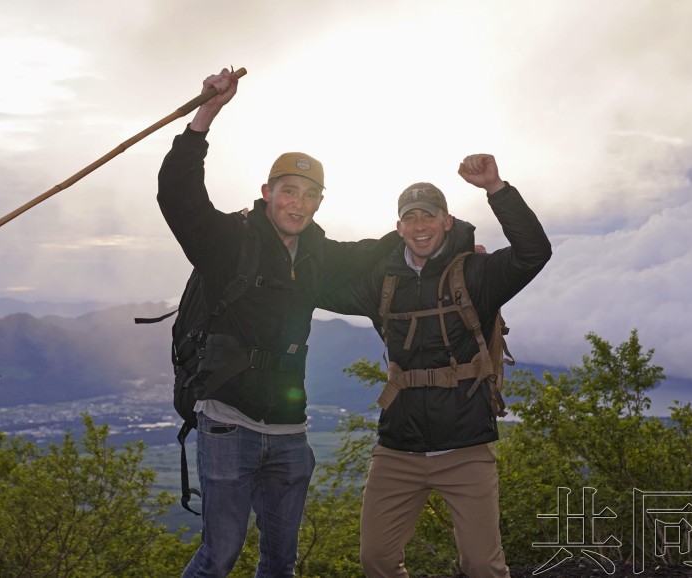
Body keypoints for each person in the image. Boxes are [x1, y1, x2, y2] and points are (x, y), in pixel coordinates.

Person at [156, 68, 397, 578]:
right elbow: (178, 196)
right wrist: (205, 115)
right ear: (267, 191)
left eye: (310, 195)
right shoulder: (228, 242)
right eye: (289, 191)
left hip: (290, 428)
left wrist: (451, 240)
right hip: (227, 420)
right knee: (219, 555)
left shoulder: (318, 256)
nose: (298, 203)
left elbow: (373, 251)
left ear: (320, 202)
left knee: (281, 562)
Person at [320, 154, 552, 578]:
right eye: (410, 218)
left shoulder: (477, 274)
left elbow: (534, 252)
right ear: (398, 228)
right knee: (376, 559)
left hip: (465, 447)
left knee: (482, 565)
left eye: (429, 215)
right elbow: (317, 284)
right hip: (398, 447)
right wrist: (266, 233)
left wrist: (496, 189)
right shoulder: (383, 281)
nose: (420, 225)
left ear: (448, 221)